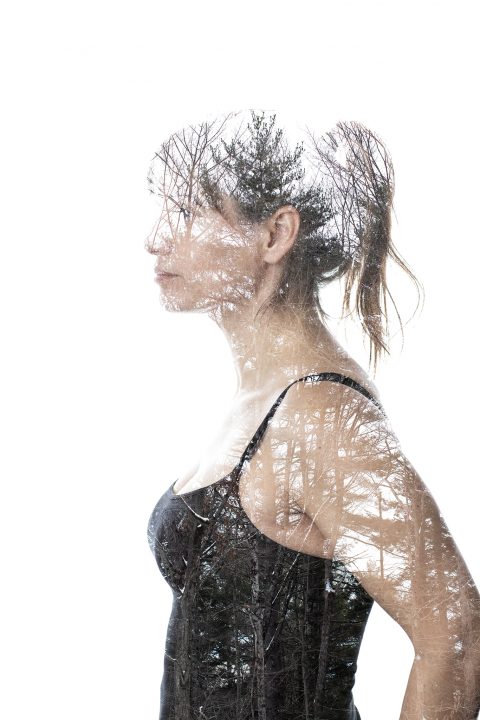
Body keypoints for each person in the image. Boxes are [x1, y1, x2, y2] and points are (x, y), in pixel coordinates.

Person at [145, 110, 480, 720]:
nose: (156, 237)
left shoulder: (322, 415)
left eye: (190, 211)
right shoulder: (263, 400)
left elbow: (455, 636)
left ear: (274, 235)